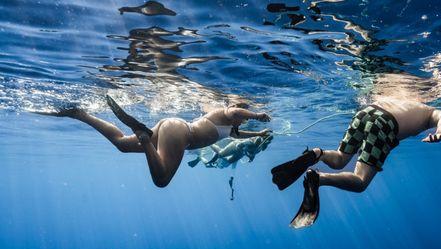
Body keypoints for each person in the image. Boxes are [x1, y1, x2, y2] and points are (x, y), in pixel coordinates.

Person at [271, 99, 441, 228]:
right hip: (384, 123)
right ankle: (319, 178)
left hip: (365, 112)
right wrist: (440, 132)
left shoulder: (403, 98)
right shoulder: (430, 111)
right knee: (360, 181)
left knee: (341, 158)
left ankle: (318, 154)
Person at [38, 96, 271, 187]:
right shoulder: (228, 113)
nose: (243, 122)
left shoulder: (231, 128)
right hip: (180, 133)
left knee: (121, 144)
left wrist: (258, 135)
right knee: (161, 180)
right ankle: (144, 137)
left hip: (171, 128)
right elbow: (234, 112)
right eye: (245, 116)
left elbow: (235, 134)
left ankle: (81, 114)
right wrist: (257, 116)